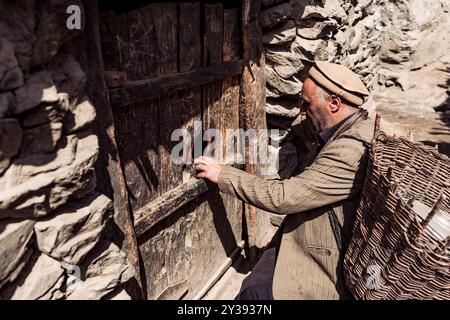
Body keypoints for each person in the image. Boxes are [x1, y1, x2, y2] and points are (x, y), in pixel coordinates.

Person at [194, 61, 374, 300]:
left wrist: (224, 174)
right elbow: (306, 129)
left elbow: (283, 198)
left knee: (255, 294)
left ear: (334, 103)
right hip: (311, 233)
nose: (302, 110)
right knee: (259, 275)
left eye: (307, 103)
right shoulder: (348, 126)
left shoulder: (349, 151)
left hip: (326, 254)